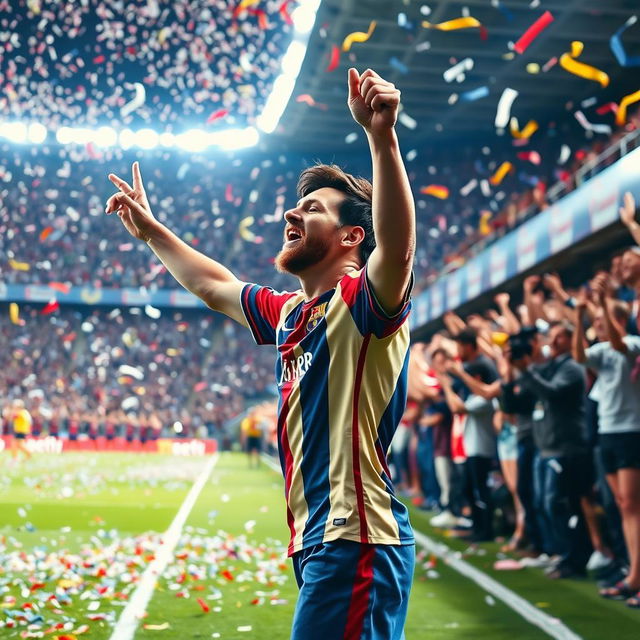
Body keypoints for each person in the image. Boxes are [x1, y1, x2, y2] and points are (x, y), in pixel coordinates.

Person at [105, 68, 415, 639]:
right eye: (296, 207)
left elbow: (396, 248)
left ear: (351, 237)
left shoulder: (362, 300)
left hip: (357, 537)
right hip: (320, 538)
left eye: (314, 209)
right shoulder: (291, 314)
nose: (292, 215)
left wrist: (381, 139)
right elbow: (213, 285)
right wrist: (152, 232)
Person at [573, 276, 640, 606]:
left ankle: (635, 576)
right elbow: (579, 356)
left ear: (618, 319)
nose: (596, 325)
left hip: (631, 431)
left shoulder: (632, 345)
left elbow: (618, 345)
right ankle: (632, 574)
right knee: (622, 507)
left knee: (631, 506)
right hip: (608, 433)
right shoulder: (599, 349)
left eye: (601, 321)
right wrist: (578, 316)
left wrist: (601, 305)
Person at [514, 322, 592, 579]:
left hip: (566, 447)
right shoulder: (549, 366)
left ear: (572, 340)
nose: (554, 340)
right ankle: (560, 554)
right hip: (546, 446)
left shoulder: (572, 367)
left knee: (563, 505)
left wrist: (527, 371)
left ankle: (574, 559)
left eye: (561, 336)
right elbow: (523, 393)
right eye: (553, 335)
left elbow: (551, 392)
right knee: (546, 504)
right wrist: (520, 368)